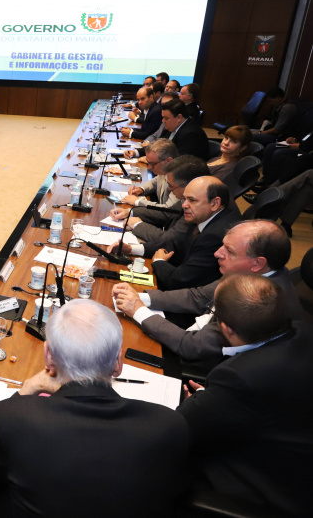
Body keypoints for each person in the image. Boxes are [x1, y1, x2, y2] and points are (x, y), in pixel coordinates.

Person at [0, 299, 189, 518]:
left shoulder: (13, 416)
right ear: (118, 362)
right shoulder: (170, 426)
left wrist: (25, 390)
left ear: (48, 357)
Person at [178, 273, 313, 516]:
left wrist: (204, 403)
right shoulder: (303, 330)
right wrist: (216, 401)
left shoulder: (241, 377)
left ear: (227, 328)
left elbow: (181, 428)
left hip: (262, 490)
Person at [113, 220, 302, 365]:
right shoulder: (249, 273)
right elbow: (198, 296)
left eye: (229, 250)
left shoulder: (260, 301)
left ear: (257, 263)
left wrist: (137, 309)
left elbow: (192, 347)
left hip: (200, 363)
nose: (217, 253)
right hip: (193, 333)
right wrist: (140, 298)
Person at [112, 176, 240, 290]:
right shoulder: (204, 214)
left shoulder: (215, 236)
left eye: (192, 200)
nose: (184, 205)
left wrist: (158, 262)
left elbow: (178, 280)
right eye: (184, 199)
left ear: (215, 203)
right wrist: (131, 249)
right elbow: (175, 244)